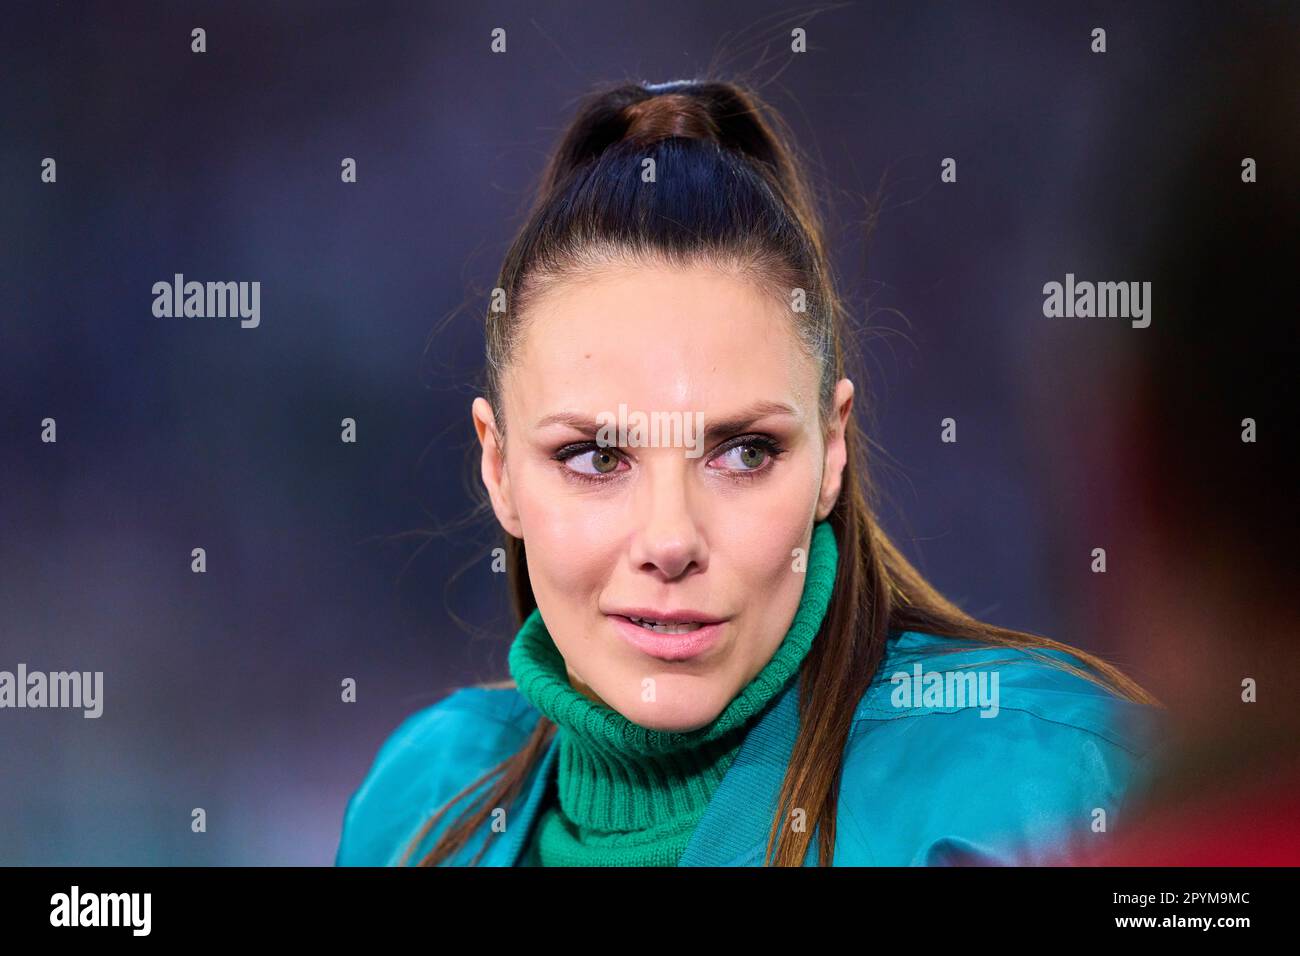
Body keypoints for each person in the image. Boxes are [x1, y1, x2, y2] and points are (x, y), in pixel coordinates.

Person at [335, 78, 1162, 867]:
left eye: (743, 453)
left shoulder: (1056, 784)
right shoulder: (418, 805)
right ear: (499, 466)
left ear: (833, 449)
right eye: (594, 457)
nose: (670, 540)